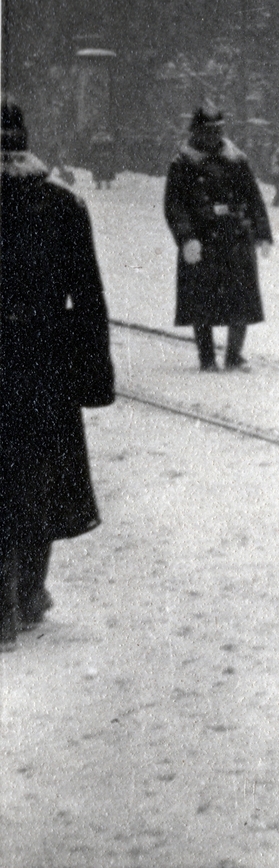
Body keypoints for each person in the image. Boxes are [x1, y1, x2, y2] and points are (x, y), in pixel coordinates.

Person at [1, 102, 115, 647]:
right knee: (38, 479)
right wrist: (93, 377)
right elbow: (90, 298)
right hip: (45, 366)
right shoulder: (62, 205)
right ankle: (27, 593)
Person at [163, 105, 274, 371]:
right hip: (202, 241)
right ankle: (207, 357)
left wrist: (263, 232)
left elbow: (253, 197)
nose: (213, 136)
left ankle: (234, 356)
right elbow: (174, 205)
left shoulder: (237, 159)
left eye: (218, 130)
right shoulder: (183, 163)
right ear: (196, 131)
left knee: (242, 301)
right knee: (201, 303)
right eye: (207, 131)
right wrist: (186, 238)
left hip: (236, 238)